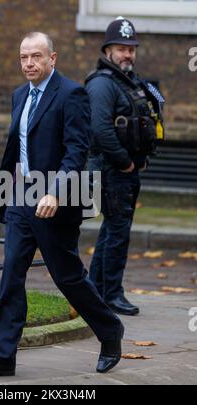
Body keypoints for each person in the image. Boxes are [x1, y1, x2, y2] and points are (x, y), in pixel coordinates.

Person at [0, 32, 124, 378]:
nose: (29, 64)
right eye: (23, 58)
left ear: (53, 59)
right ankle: (2, 355)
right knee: (10, 275)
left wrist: (56, 191)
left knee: (67, 278)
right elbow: (16, 149)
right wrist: (4, 193)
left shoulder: (72, 94)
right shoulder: (19, 95)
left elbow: (76, 151)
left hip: (55, 201)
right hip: (21, 197)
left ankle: (110, 331)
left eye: (36, 57)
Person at [86, 18, 165, 316]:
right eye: (121, 48)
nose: (128, 54)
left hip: (126, 170)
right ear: (108, 50)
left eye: (131, 48)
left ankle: (96, 290)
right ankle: (111, 294)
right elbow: (100, 130)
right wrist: (126, 162)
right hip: (112, 170)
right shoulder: (102, 84)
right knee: (118, 231)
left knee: (113, 229)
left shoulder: (128, 81)